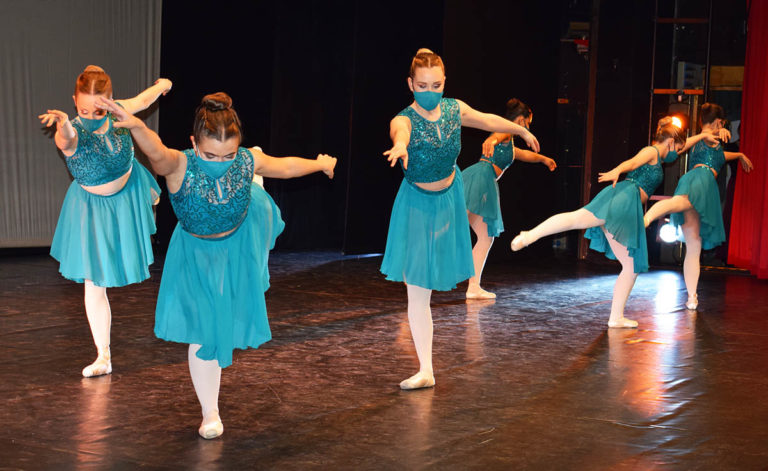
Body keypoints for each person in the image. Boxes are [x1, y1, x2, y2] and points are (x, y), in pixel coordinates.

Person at [98, 92, 337, 439]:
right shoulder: (180, 164)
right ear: (194, 144)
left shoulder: (245, 158)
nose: (221, 162)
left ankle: (254, 191)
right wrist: (136, 125)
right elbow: (156, 151)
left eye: (228, 155)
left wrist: (320, 164)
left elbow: (284, 166)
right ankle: (210, 412)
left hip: (238, 242)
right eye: (211, 155)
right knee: (203, 330)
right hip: (196, 253)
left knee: (254, 187)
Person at [381, 48, 540, 390]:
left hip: (450, 197)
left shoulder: (454, 109)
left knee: (459, 255)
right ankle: (426, 369)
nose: (430, 90)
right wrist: (400, 146)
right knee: (418, 289)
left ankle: (470, 291)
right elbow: (401, 132)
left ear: (444, 82)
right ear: (410, 84)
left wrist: (521, 131)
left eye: (436, 84)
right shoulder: (404, 118)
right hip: (418, 204)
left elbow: (486, 120)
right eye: (422, 85)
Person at [38, 66, 172, 377]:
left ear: (110, 100)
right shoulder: (72, 128)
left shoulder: (118, 110)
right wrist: (62, 124)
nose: (92, 114)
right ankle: (103, 356)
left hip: (128, 195)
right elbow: (67, 140)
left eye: (99, 108)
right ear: (74, 101)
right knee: (94, 283)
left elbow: (143, 99)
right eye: (83, 108)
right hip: (92, 209)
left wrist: (162, 85)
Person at [510, 122, 687, 328]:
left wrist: (703, 136)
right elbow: (631, 163)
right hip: (625, 200)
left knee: (577, 220)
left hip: (620, 199)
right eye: (680, 149)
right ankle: (616, 317)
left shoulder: (659, 152)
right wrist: (618, 170)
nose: (679, 154)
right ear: (671, 142)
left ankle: (529, 235)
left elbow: (684, 143)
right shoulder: (651, 151)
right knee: (629, 266)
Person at [643, 103, 754, 309]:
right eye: (721, 123)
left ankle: (692, 297)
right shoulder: (707, 137)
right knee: (679, 204)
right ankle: (646, 219)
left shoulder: (709, 141)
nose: (723, 127)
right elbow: (682, 148)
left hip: (703, 185)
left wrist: (738, 155)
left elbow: (719, 157)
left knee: (694, 246)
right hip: (699, 180)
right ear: (718, 122)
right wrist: (711, 133)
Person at [462, 98, 557, 299]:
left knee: (486, 236)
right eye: (527, 123)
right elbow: (497, 135)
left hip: (485, 180)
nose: (528, 127)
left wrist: (543, 159)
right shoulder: (506, 131)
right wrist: (491, 140)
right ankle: (416, 266)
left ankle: (473, 286)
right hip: (480, 179)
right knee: (452, 225)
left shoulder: (511, 142)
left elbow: (522, 154)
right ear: (521, 120)